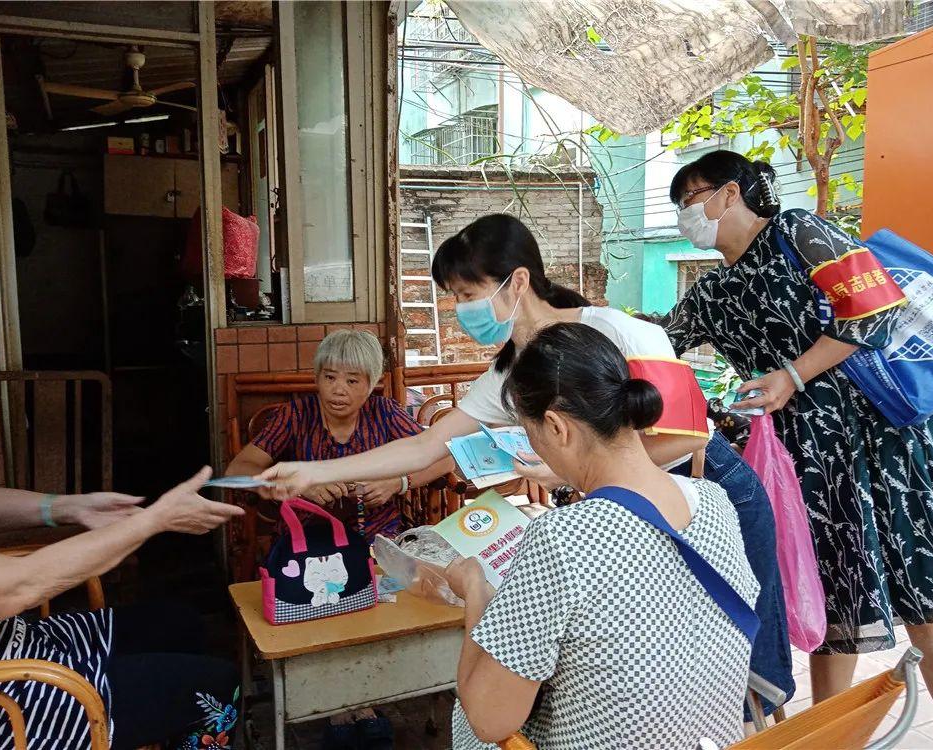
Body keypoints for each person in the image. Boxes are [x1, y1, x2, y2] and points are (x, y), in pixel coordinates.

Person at [258, 214, 793, 712]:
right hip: (623, 513)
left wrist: (567, 472)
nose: (459, 309)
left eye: (467, 295)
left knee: (737, 664)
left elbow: (687, 437)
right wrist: (316, 471)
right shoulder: (508, 373)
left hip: (700, 496)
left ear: (515, 282)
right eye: (453, 297)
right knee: (668, 665)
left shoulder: (620, 332)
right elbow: (427, 446)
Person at [663, 149, 933, 748]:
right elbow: (657, 339)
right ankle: (832, 740)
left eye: (691, 198)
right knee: (832, 598)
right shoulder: (713, 291)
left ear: (731, 193)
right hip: (804, 463)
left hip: (883, 441)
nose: (684, 213)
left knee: (927, 593)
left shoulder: (797, 231)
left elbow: (872, 305)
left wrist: (792, 376)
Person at [443, 322, 758, 749]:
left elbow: (489, 719)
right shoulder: (715, 502)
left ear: (555, 427)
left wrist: (475, 591)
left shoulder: (562, 539)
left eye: (526, 433)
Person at [0, 469, 244, 750]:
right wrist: (154, 520)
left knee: (180, 625)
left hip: (19, 644)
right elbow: (23, 585)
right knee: (217, 688)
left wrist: (70, 507)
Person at [226, 329, 454, 542]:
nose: (338, 389)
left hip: (378, 536)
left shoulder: (384, 412)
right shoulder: (295, 415)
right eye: (330, 377)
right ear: (317, 378)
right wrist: (299, 484)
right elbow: (239, 469)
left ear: (370, 384)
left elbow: (445, 459)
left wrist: (398, 483)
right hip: (305, 539)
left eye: (352, 381)